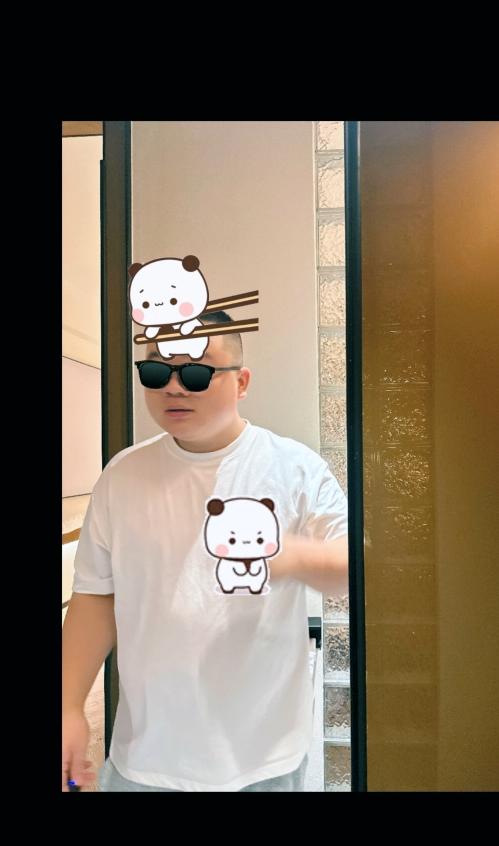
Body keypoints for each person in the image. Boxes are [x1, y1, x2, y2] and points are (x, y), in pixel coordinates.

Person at [62, 311, 348, 792]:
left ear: (242, 382)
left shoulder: (296, 468)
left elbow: (355, 569)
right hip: (146, 757)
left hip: (264, 757)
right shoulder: (121, 476)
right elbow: (95, 595)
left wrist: (290, 557)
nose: (174, 388)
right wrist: (69, 704)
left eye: (195, 373)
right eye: (157, 371)